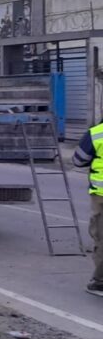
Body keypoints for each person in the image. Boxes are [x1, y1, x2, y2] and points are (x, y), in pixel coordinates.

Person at [70, 120, 103, 296]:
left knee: (101, 238)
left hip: (101, 195)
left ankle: (99, 282)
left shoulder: (97, 133)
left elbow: (78, 160)